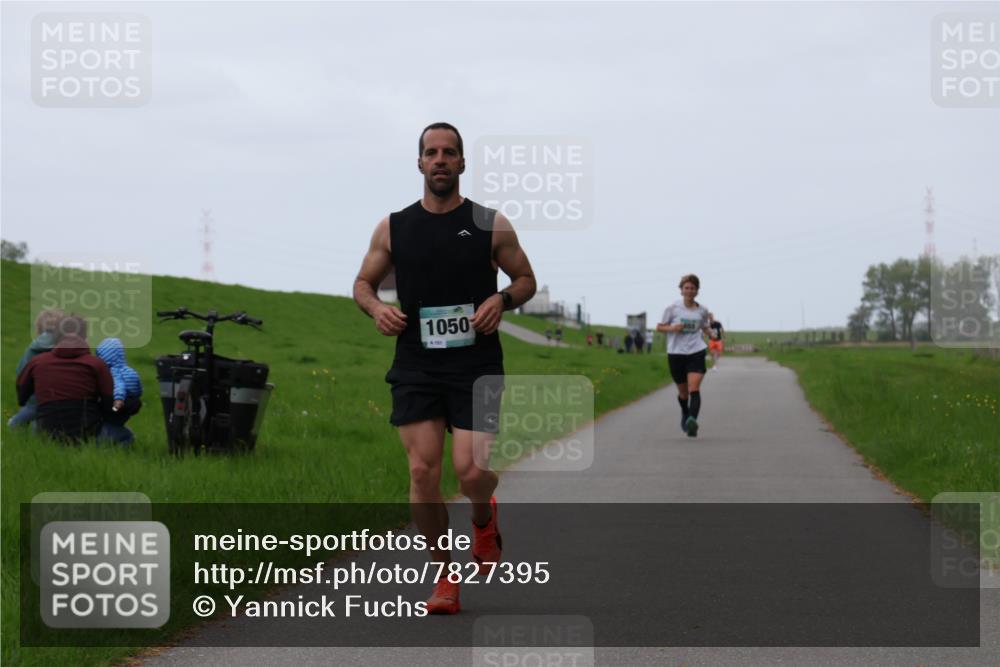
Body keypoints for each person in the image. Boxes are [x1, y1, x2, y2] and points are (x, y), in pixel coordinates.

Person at [353, 122, 536, 614]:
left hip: (476, 362)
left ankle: (484, 518)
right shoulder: (392, 226)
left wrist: (501, 298)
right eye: (430, 152)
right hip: (416, 361)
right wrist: (376, 309)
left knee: (472, 471)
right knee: (421, 471)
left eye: (448, 153)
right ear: (419, 163)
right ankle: (444, 576)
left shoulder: (489, 223)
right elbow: (362, 285)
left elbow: (525, 279)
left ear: (460, 164)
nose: (439, 160)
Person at [15, 314, 115, 442]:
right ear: (84, 336)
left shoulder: (37, 362)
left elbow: (21, 396)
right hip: (87, 433)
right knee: (124, 435)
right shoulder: (97, 364)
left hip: (45, 433)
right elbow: (109, 401)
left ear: (56, 335)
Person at [656, 274, 712, 438]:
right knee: (683, 393)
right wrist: (672, 329)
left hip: (696, 351)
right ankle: (685, 413)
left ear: (697, 291)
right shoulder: (672, 308)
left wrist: (712, 333)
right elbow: (659, 327)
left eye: (692, 288)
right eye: (686, 288)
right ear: (681, 290)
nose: (689, 291)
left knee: (694, 388)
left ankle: (692, 421)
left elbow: (705, 327)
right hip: (676, 353)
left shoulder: (702, 310)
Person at [8, 308, 63, 429]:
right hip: (63, 400)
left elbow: (20, 372)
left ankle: (16, 423)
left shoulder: (31, 349)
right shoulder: (67, 349)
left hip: (33, 400)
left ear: (38, 327)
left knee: (25, 417)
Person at [95, 337, 144, 445]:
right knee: (118, 426)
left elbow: (119, 385)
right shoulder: (129, 370)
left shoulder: (113, 371)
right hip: (130, 401)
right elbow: (139, 385)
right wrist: (137, 394)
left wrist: (118, 399)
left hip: (118, 403)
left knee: (111, 423)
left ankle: (112, 447)